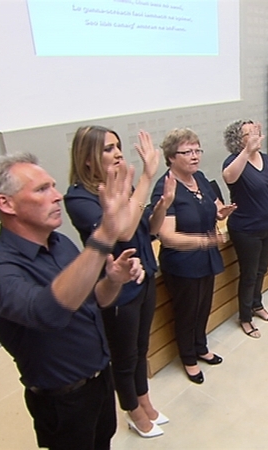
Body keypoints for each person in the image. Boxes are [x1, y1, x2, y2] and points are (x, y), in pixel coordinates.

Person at [0, 153, 145, 449]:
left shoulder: (60, 244)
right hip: (64, 400)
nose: (57, 196)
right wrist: (105, 234)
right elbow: (48, 312)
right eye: (42, 189)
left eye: (53, 186)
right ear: (6, 203)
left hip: (100, 380)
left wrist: (113, 280)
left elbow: (96, 300)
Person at [64, 126, 170, 438]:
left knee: (140, 347)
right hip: (115, 288)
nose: (118, 153)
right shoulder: (79, 197)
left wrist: (161, 207)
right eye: (109, 148)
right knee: (124, 357)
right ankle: (133, 410)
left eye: (118, 146)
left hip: (144, 275)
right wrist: (148, 178)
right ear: (87, 159)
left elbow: (145, 230)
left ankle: (144, 400)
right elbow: (122, 232)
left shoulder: (125, 186)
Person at [151, 128, 235, 384]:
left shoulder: (199, 178)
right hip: (182, 262)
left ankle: (201, 346)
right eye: (187, 152)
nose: (194, 156)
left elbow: (214, 208)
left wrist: (222, 213)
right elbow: (167, 236)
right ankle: (188, 358)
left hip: (206, 257)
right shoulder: (166, 188)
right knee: (187, 312)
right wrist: (204, 240)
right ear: (171, 157)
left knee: (203, 307)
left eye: (197, 150)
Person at [222, 119, 268, 339]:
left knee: (262, 269)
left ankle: (257, 304)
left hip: (266, 224)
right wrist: (246, 152)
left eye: (257, 132)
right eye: (249, 134)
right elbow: (229, 178)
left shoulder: (266, 158)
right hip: (245, 228)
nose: (255, 136)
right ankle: (245, 317)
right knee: (249, 274)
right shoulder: (233, 161)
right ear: (238, 141)